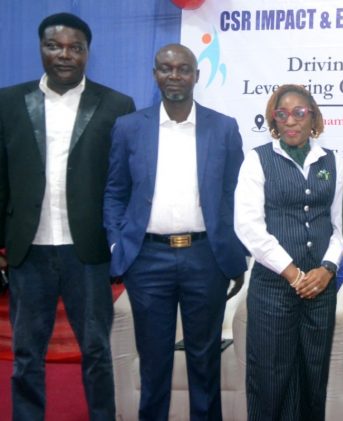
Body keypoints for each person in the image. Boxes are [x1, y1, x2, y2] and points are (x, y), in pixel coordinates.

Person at [0, 12, 135, 421]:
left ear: (87, 53)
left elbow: (123, 184)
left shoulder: (117, 105)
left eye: (75, 48)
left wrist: (119, 243)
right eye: (54, 46)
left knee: (96, 350)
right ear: (40, 49)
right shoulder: (8, 102)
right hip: (29, 249)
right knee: (27, 353)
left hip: (88, 251)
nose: (64, 55)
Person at [103, 44, 247, 420]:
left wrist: (232, 251)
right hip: (147, 260)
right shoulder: (129, 127)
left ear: (196, 76)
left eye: (183, 69)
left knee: (204, 360)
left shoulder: (224, 128)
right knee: (153, 362)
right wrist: (118, 245)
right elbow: (115, 192)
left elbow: (236, 194)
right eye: (166, 68)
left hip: (206, 257)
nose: (174, 75)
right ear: (155, 75)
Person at [234, 84, 343, 420]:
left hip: (320, 289)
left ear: (313, 117)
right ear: (273, 120)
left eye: (299, 113)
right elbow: (248, 226)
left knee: (313, 376)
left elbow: (342, 226)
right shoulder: (257, 160)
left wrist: (327, 268)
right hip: (273, 288)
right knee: (270, 379)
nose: (291, 121)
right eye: (281, 114)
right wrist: (293, 273)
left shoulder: (332, 161)